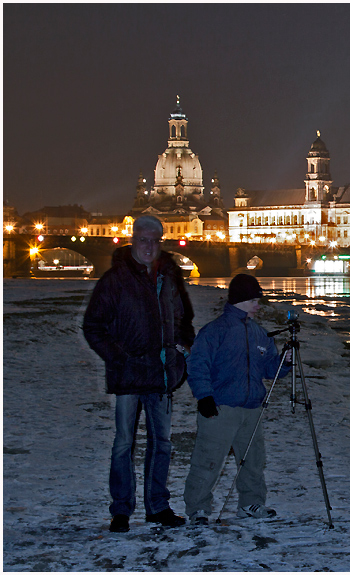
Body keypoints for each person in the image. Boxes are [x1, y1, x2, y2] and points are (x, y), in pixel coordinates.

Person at [82, 215, 194, 533]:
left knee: (162, 443)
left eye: (155, 240)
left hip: (160, 375)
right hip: (129, 375)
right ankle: (121, 510)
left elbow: (184, 319)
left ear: (161, 242)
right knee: (123, 444)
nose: (149, 246)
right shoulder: (114, 280)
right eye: (143, 239)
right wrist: (117, 358)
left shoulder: (169, 278)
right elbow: (93, 327)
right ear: (133, 240)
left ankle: (157, 506)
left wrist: (182, 348)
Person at [183, 274, 290, 524]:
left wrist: (283, 363)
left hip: (251, 408)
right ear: (240, 300)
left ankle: (250, 504)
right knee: (208, 459)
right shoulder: (215, 331)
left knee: (253, 460)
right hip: (220, 407)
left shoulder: (260, 334)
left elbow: (268, 370)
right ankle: (198, 508)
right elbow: (197, 365)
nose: (258, 305)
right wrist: (204, 396)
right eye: (254, 299)